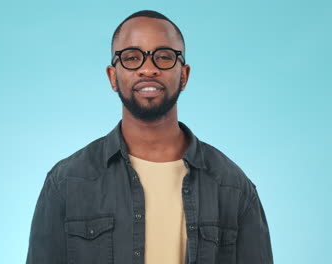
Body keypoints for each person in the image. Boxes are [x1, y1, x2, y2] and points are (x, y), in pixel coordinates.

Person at [26, 10, 273, 264]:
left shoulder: (233, 187)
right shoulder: (67, 182)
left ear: (184, 75)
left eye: (164, 57)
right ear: (113, 76)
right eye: (132, 57)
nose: (148, 69)